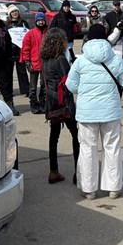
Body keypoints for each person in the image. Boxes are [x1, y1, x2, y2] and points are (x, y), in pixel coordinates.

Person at [66, 24, 123, 200]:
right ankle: (113, 187)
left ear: (88, 38)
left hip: (87, 112)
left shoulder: (80, 60)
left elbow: (71, 86)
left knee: (88, 149)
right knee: (112, 148)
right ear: (105, 38)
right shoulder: (115, 59)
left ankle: (89, 189)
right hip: (110, 112)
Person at [41, 28, 79, 185]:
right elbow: (68, 81)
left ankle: (53, 170)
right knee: (76, 135)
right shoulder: (60, 59)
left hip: (51, 101)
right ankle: (79, 172)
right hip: (64, 102)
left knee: (54, 136)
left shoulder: (44, 59)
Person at [20, 12, 48, 114]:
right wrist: (27, 62)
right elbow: (25, 49)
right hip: (34, 63)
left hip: (45, 64)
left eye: (42, 20)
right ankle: (34, 104)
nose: (40, 22)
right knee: (33, 87)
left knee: (44, 86)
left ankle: (42, 103)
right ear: (36, 21)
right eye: (38, 20)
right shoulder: (30, 34)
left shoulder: (48, 33)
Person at [6, 4, 31, 98]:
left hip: (21, 50)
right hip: (10, 51)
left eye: (16, 11)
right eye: (12, 12)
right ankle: (8, 91)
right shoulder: (6, 24)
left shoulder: (24, 23)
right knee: (8, 73)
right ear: (10, 14)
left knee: (22, 71)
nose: (14, 13)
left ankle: (26, 90)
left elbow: (28, 35)